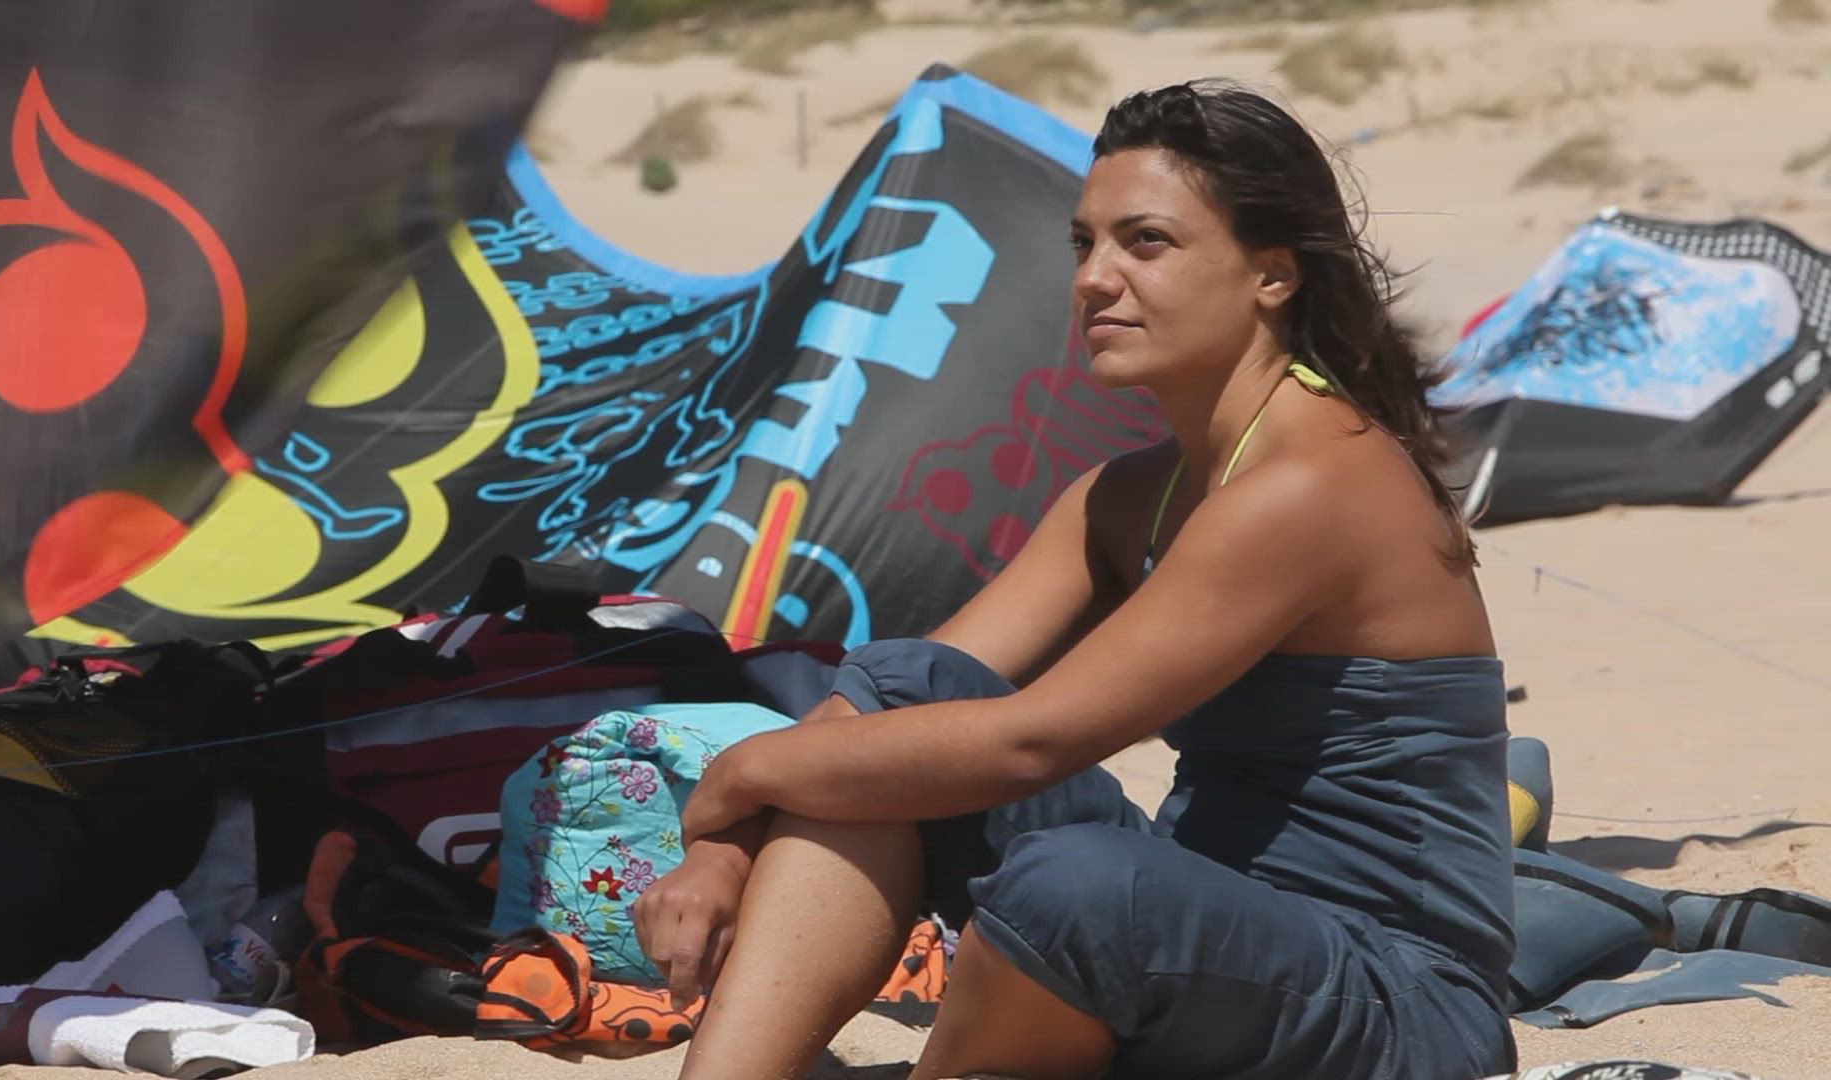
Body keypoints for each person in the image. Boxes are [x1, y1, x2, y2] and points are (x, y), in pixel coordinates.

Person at [631, 78, 1517, 1080]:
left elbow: (1032, 742)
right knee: (908, 689)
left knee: (1075, 883)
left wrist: (737, 777)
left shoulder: (1311, 483)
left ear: (1272, 275)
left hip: (1394, 998)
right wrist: (722, 848)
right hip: (1206, 938)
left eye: (1147, 243)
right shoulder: (1133, 493)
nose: (1096, 279)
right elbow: (899, 694)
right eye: (1084, 244)